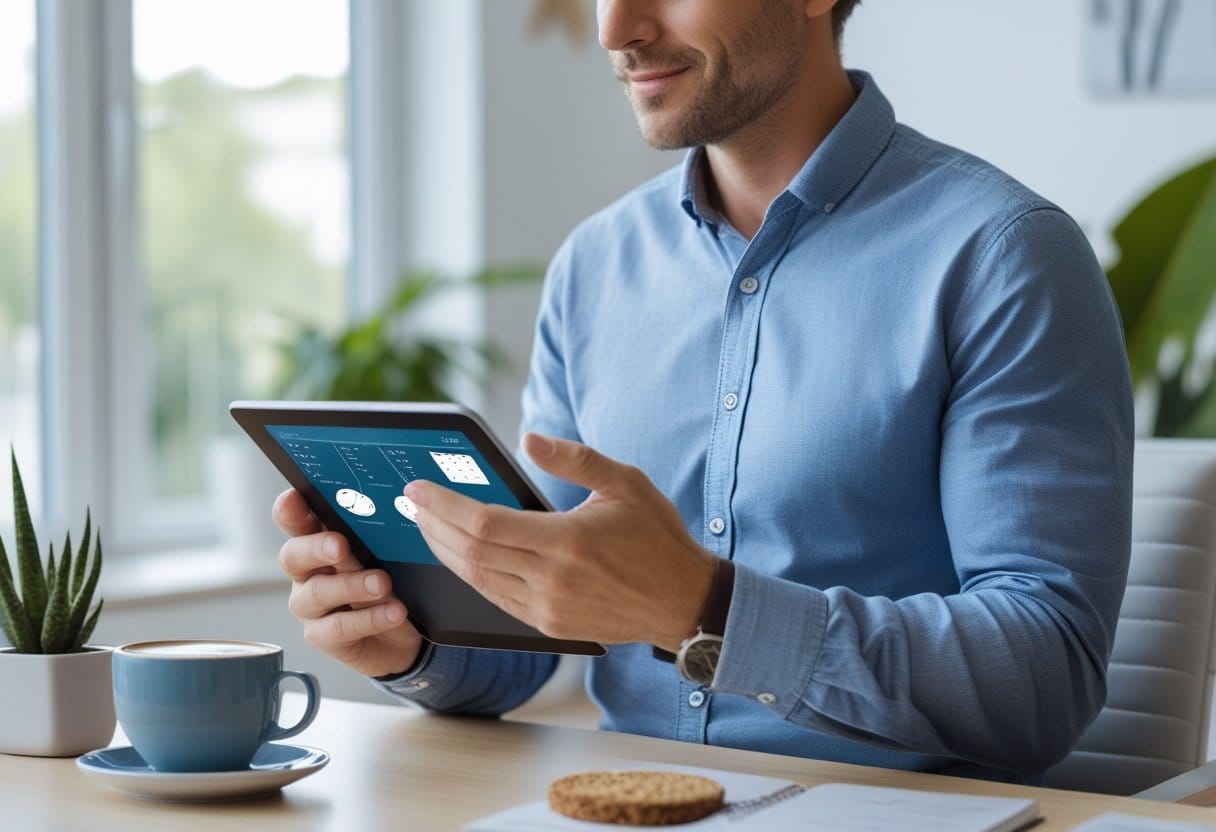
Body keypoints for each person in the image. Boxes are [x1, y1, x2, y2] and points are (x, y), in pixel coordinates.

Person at [274, 0, 1133, 785]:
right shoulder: (595, 266)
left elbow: (1044, 682)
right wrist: (411, 643)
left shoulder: (1003, 255)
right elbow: (543, 630)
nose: (615, 30)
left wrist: (704, 606)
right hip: (623, 801)